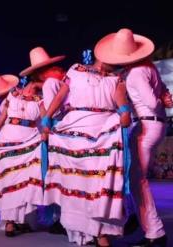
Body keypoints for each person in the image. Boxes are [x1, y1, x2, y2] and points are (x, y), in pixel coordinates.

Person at [42, 36, 131, 245]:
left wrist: (125, 113)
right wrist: (47, 118)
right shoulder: (75, 70)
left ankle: (101, 233)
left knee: (99, 182)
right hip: (74, 131)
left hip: (103, 131)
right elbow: (60, 97)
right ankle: (83, 232)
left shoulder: (116, 78)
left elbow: (121, 101)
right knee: (77, 181)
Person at [95, 28, 172, 247]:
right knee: (133, 179)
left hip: (145, 125)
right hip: (154, 125)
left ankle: (155, 233)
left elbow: (151, 101)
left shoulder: (137, 72)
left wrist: (132, 105)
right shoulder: (148, 68)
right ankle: (139, 220)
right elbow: (163, 93)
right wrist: (163, 97)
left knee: (137, 181)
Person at [0, 76, 46, 237]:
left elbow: (45, 118)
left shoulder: (40, 99)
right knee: (9, 180)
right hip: (8, 138)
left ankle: (19, 220)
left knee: (25, 181)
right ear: (31, 81)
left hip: (30, 140)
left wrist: (47, 131)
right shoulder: (12, 95)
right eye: (38, 82)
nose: (41, 85)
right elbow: (2, 117)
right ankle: (9, 220)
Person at [20, 46, 67, 234]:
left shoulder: (51, 84)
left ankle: (61, 218)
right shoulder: (56, 83)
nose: (59, 69)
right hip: (64, 131)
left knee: (57, 176)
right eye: (55, 67)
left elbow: (51, 110)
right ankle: (62, 218)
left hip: (58, 132)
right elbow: (54, 109)